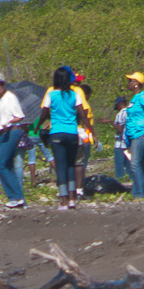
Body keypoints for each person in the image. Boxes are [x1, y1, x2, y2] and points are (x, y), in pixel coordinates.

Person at [34, 67, 91, 210]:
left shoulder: (51, 95)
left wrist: (38, 127)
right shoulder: (74, 94)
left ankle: (64, 200)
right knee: (71, 165)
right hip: (72, 133)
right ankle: (72, 199)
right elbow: (82, 114)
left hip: (57, 134)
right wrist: (92, 131)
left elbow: (43, 113)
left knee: (61, 166)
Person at [0, 74, 28, 207]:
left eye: (0, 84)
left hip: (13, 130)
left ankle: (14, 197)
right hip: (5, 133)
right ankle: (21, 199)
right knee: (8, 166)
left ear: (4, 84)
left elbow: (19, 116)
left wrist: (8, 122)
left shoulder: (10, 97)